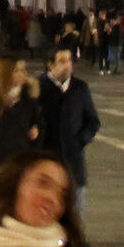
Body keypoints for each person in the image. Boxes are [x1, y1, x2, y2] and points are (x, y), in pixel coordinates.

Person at [38, 43, 101, 202]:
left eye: (70, 60)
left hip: (74, 165)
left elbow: (93, 121)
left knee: (74, 220)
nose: (68, 65)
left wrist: (80, 140)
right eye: (62, 61)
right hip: (46, 164)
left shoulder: (80, 88)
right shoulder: (37, 87)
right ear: (50, 64)